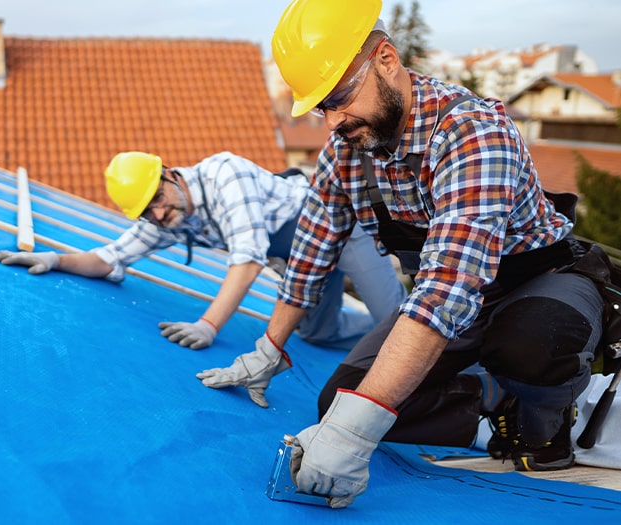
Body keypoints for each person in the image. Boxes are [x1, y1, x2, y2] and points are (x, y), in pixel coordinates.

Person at [196, 0, 607, 509]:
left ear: (386, 60)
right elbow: (310, 253)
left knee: (532, 343)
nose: (333, 121)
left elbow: (447, 290)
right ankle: (494, 402)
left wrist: (354, 434)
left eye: (339, 97)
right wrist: (270, 347)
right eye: (322, 107)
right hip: (453, 296)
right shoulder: (347, 152)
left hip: (539, 279)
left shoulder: (472, 133)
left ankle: (548, 420)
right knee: (339, 401)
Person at [0, 151, 406, 372]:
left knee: (399, 324)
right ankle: (372, 332)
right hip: (299, 257)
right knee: (319, 334)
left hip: (338, 229)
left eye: (157, 199)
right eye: (147, 212)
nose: (157, 213)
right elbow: (108, 259)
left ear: (171, 174)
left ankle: (445, 384)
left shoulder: (226, 175)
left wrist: (208, 325)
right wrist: (55, 258)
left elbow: (248, 260)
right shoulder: (169, 216)